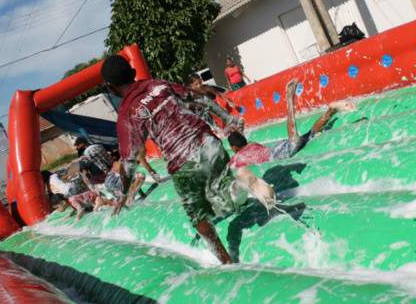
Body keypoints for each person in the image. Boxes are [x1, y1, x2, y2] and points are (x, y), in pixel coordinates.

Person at [100, 54, 274, 265]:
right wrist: (228, 118)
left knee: (198, 218)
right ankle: (242, 183)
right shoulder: (157, 84)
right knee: (226, 189)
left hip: (182, 161)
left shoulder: (127, 113)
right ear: (134, 73)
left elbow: (129, 162)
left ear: (110, 86)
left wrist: (122, 194)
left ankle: (227, 263)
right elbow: (198, 98)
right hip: (208, 142)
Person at [228, 79, 356, 169]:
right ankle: (331, 111)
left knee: (294, 141)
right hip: (276, 148)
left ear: (234, 148)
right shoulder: (252, 144)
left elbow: (231, 167)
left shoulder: (237, 159)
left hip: (274, 155)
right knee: (312, 132)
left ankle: (289, 100)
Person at [50, 191, 114, 222]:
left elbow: (80, 210)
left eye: (58, 207)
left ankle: (112, 205)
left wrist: (77, 219)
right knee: (90, 210)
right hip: (94, 200)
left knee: (96, 210)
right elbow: (75, 208)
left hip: (97, 197)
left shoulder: (72, 200)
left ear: (63, 203)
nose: (58, 210)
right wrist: (69, 215)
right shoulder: (70, 202)